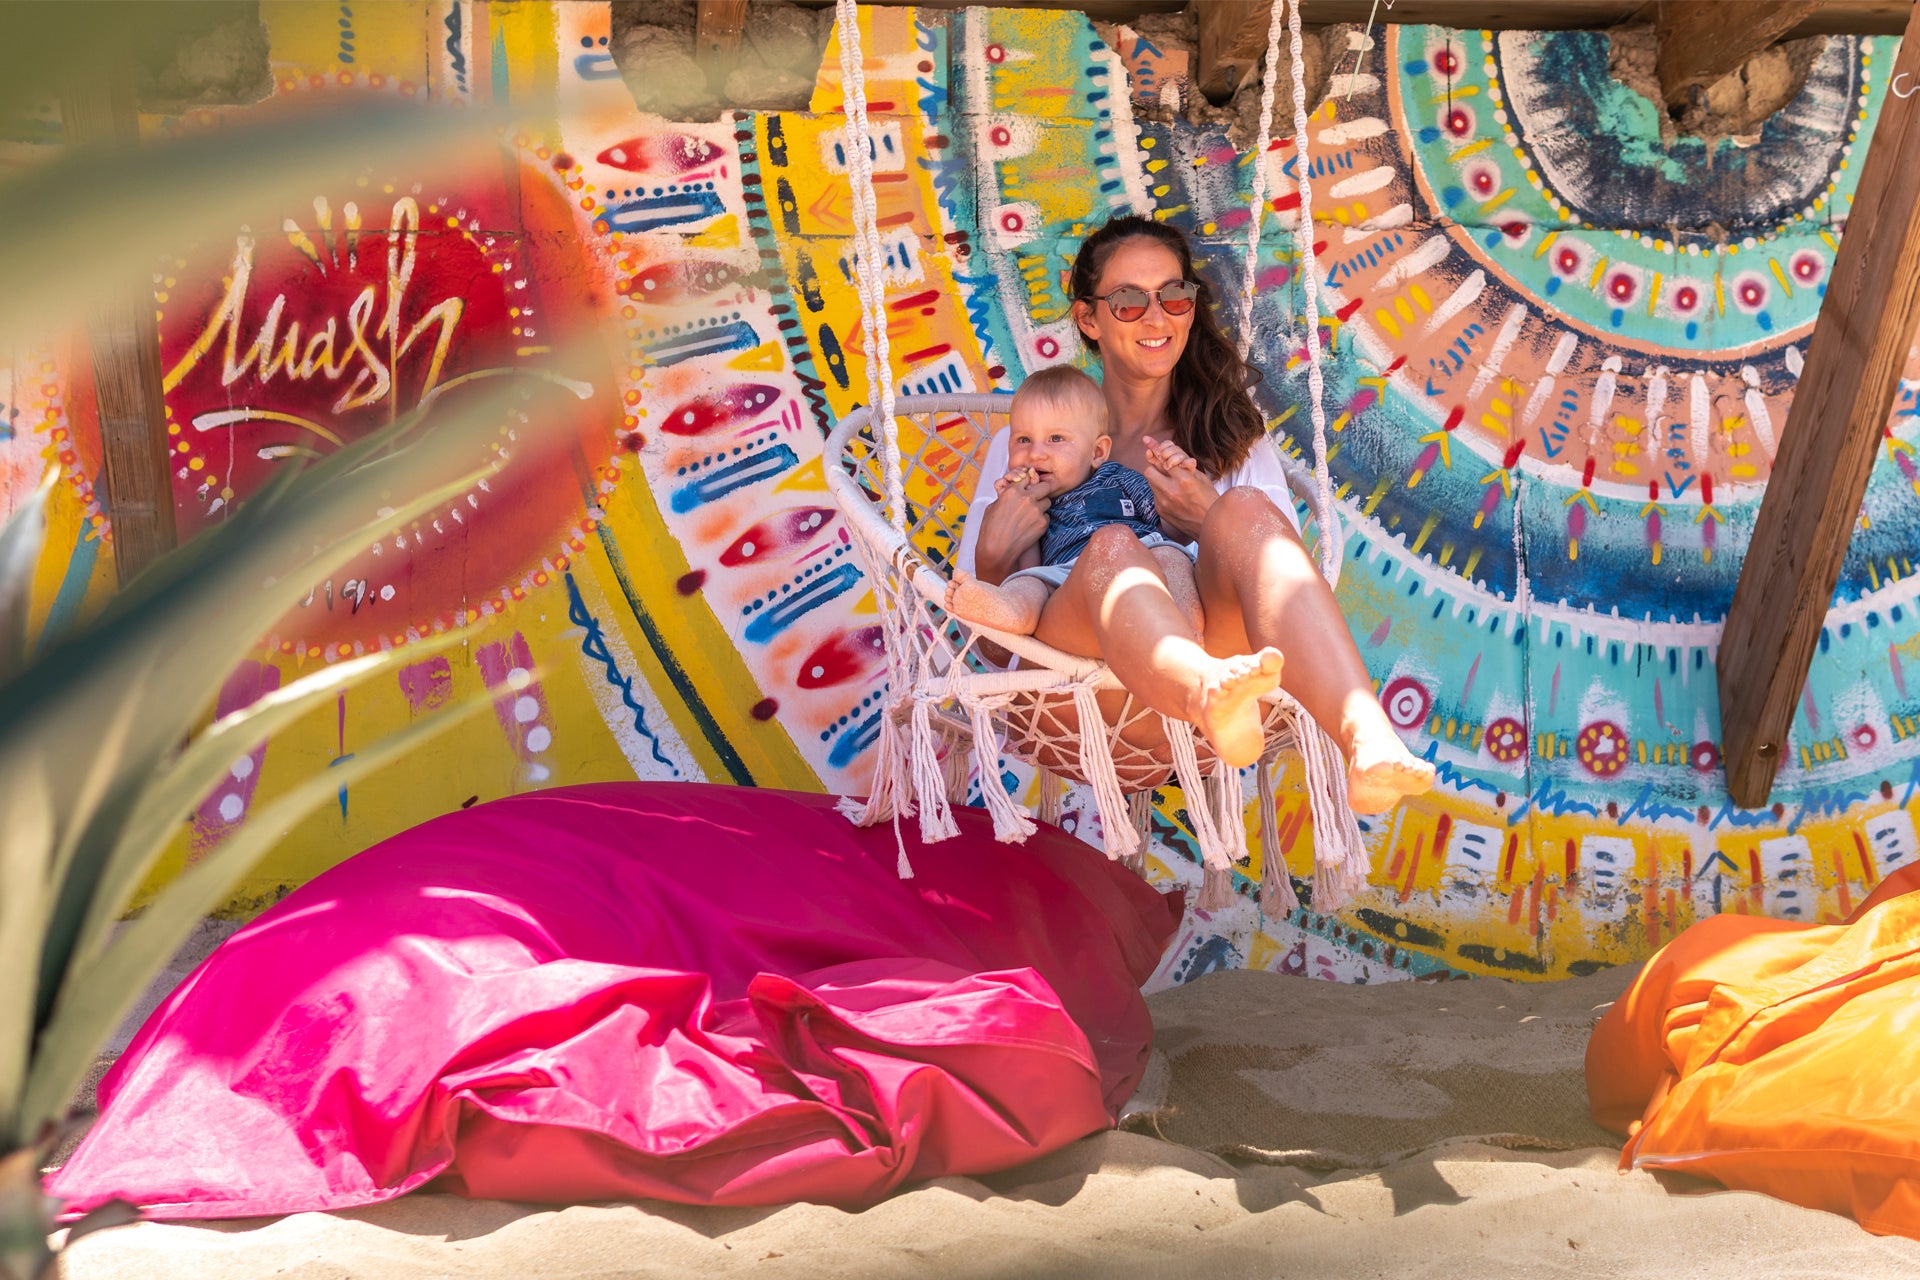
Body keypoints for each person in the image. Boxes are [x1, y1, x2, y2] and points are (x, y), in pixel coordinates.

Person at [955, 214, 1434, 812]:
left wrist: (1206, 520)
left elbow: (1284, 606)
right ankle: (1201, 690)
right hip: (1067, 697)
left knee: (1244, 508)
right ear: (1088, 319)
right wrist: (997, 556)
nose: (1157, 318)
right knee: (1111, 549)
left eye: (1174, 296)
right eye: (1129, 302)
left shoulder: (1232, 437)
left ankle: (1365, 738)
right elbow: (992, 651)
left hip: (1225, 696)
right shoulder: (1035, 441)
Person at [947, 363, 1280, 768]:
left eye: (1056, 439)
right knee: (1029, 585)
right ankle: (1010, 610)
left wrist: (1175, 476)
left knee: (1170, 556)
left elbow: (1169, 528)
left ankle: (1187, 640)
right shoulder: (1031, 503)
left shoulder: (1120, 479)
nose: (1036, 452)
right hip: (1066, 588)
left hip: (1145, 561)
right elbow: (1028, 567)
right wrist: (1005, 519)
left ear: (1098, 451)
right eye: (1023, 440)